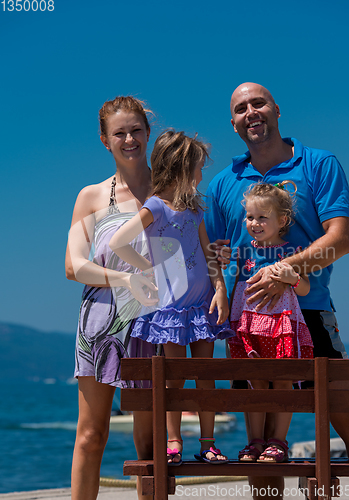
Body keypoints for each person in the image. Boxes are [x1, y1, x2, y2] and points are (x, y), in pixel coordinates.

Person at [205, 82, 349, 498]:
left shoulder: (319, 164)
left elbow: (340, 239)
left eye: (258, 103)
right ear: (233, 124)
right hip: (249, 324)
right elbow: (215, 252)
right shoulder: (222, 184)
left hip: (311, 312)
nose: (251, 112)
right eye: (240, 108)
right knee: (263, 440)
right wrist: (217, 290)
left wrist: (285, 269)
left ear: (276, 109)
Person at [109, 130, 234, 465]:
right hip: (171, 312)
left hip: (203, 307)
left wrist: (220, 289)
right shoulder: (156, 207)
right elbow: (119, 242)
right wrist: (144, 268)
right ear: (180, 168)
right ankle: (175, 442)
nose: (201, 174)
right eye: (197, 167)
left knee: (206, 377)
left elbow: (209, 253)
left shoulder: (196, 210)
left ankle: (208, 444)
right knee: (175, 379)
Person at [65, 95, 158, 500]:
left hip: (155, 324)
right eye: (119, 133)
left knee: (151, 444)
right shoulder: (91, 196)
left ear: (148, 132)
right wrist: (126, 279)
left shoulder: (173, 190)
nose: (130, 139)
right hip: (100, 325)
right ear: (105, 140)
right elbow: (73, 266)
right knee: (91, 435)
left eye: (136, 130)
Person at [229, 181, 314, 464]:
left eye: (262, 217)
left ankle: (278, 441)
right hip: (248, 327)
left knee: (282, 381)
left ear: (282, 221)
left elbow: (304, 290)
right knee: (254, 383)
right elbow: (231, 285)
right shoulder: (242, 250)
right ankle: (254, 441)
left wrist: (292, 279)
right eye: (250, 217)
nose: (254, 223)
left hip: (281, 326)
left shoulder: (290, 253)